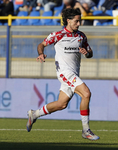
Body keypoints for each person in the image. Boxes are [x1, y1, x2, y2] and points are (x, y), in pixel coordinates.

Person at [26, 8, 100, 141]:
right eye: (77, 21)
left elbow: (90, 52)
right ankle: (86, 130)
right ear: (68, 20)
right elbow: (41, 44)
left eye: (80, 21)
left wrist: (87, 53)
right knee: (86, 93)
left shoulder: (81, 36)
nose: (79, 24)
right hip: (64, 73)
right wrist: (40, 53)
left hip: (74, 73)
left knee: (61, 104)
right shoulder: (57, 35)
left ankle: (34, 114)